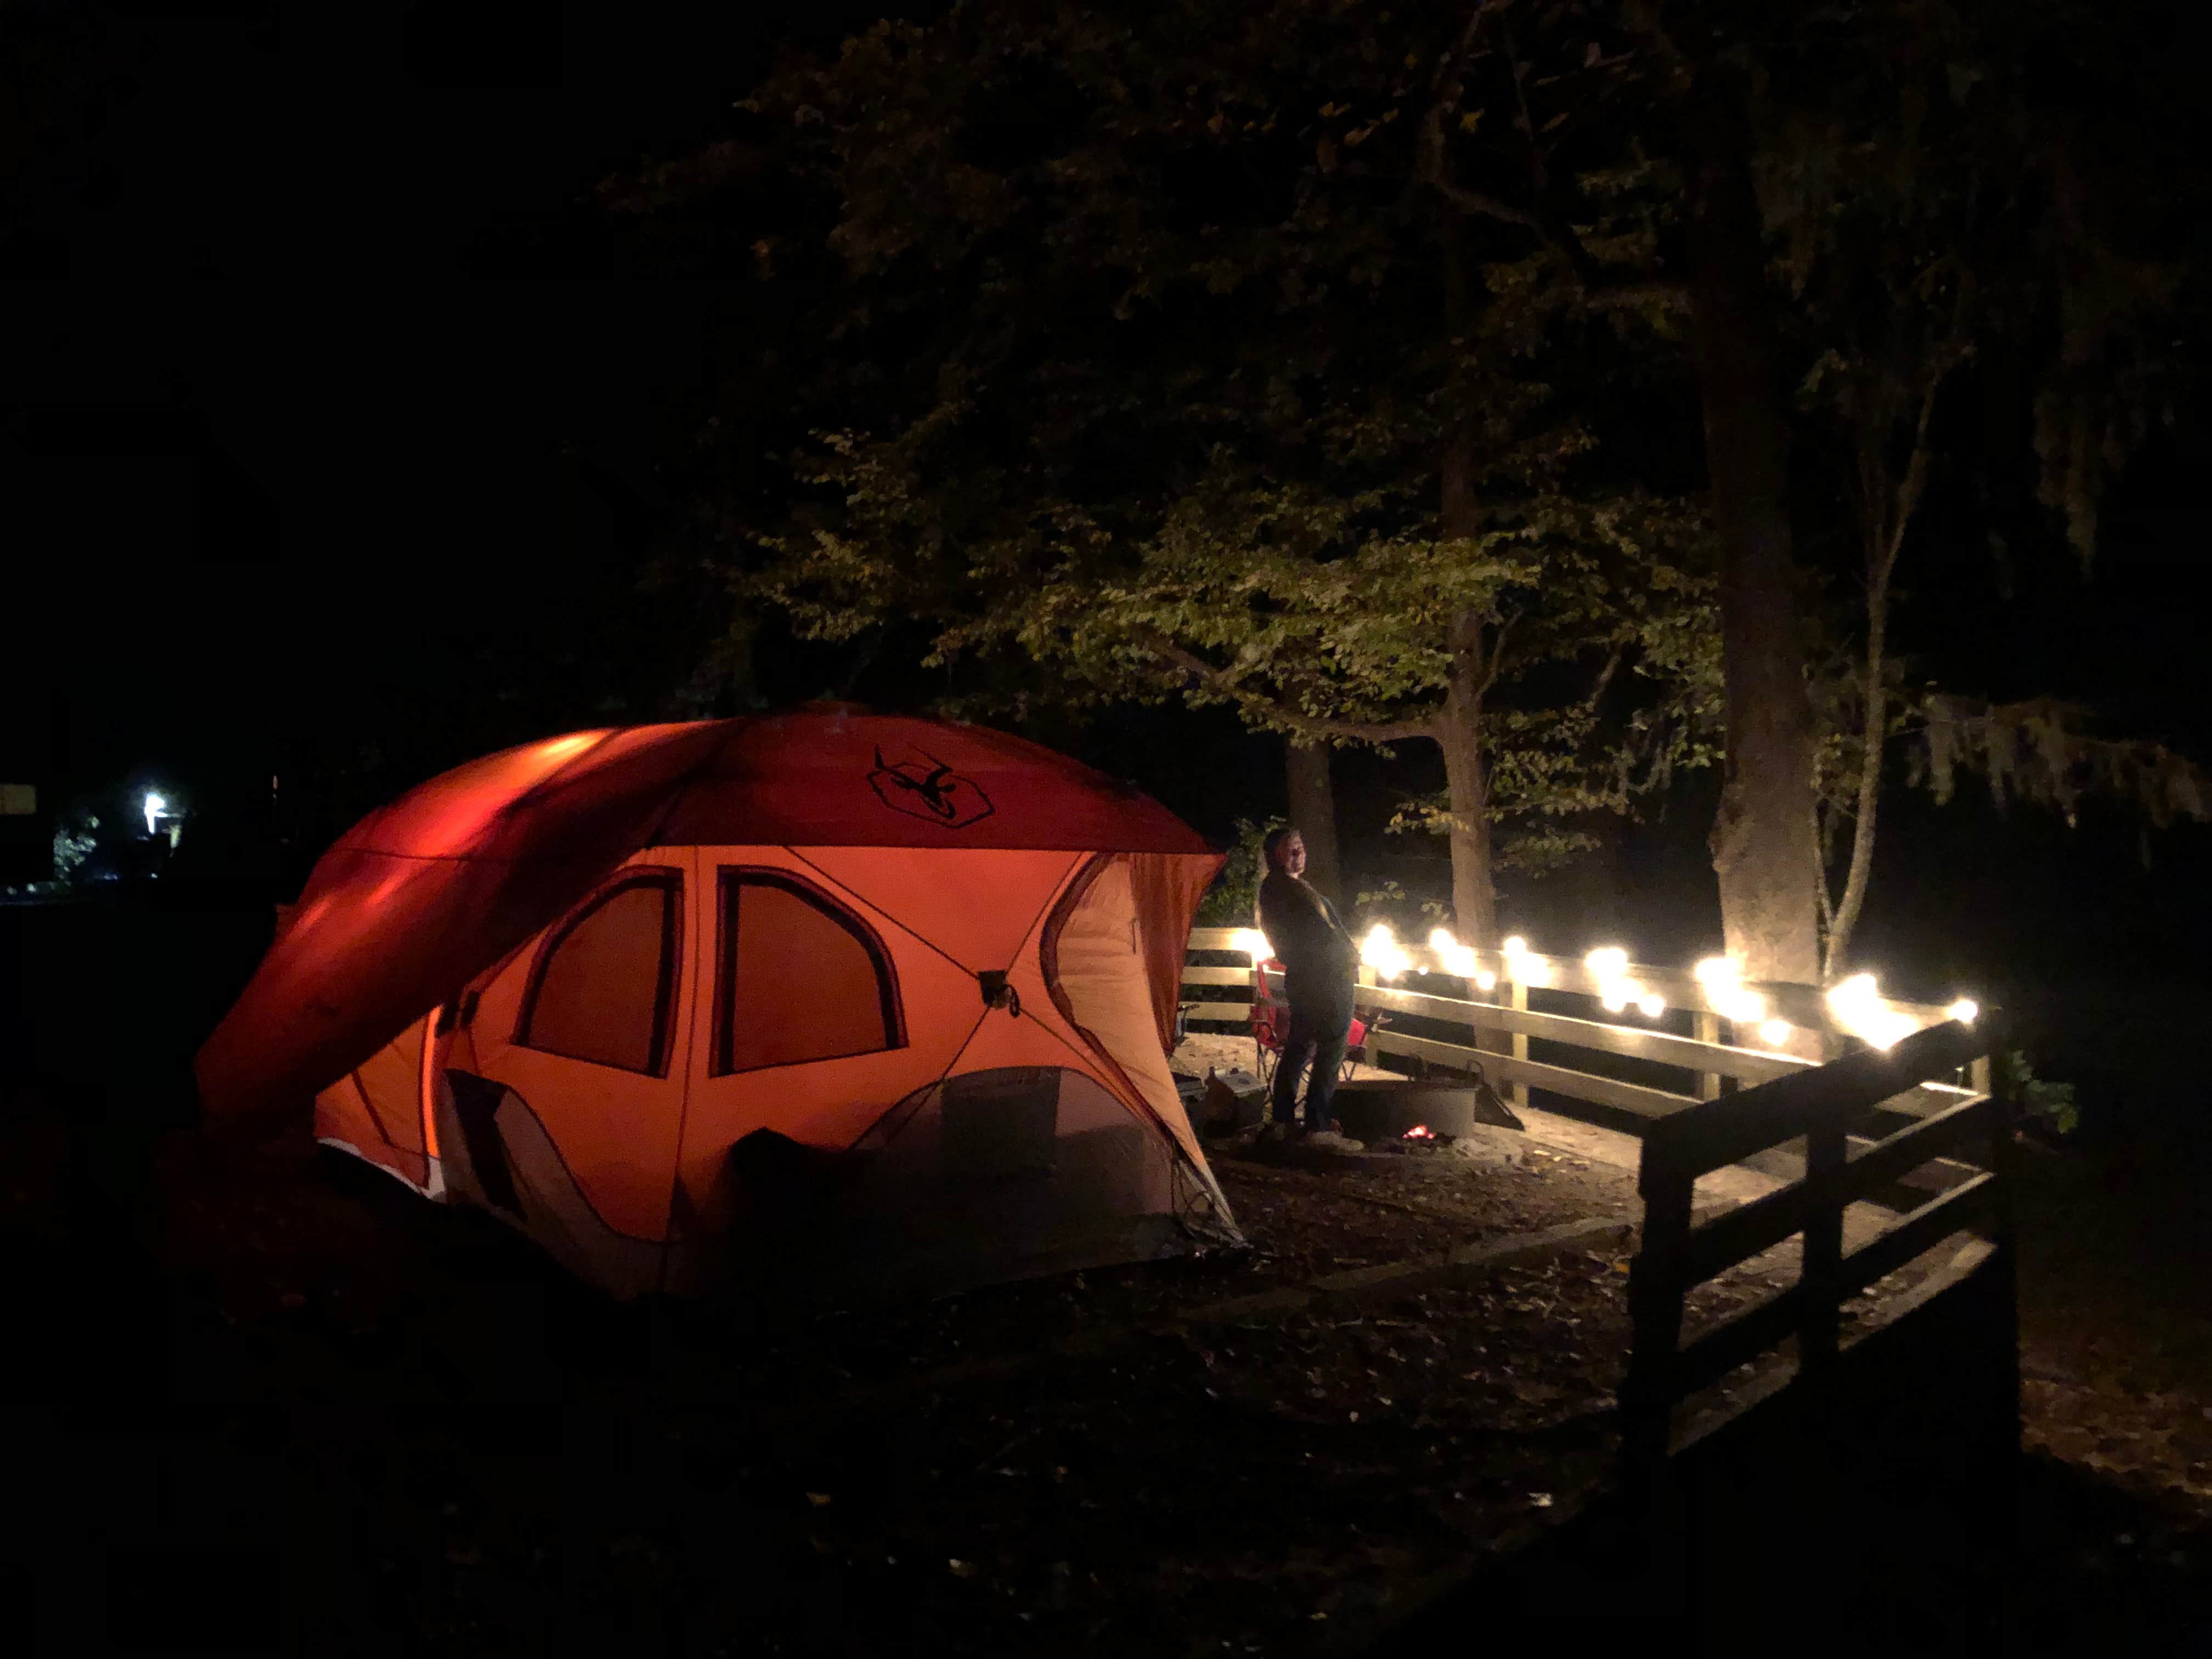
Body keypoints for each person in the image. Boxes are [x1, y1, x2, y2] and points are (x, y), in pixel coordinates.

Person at [1255, 826, 1364, 1151]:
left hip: (1321, 977)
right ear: (1275, 854)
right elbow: (1296, 940)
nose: (1298, 854)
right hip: (1321, 979)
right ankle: (1314, 1123)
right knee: (1329, 1047)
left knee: (1301, 1046)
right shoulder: (1279, 890)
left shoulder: (1294, 889)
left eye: (1301, 847)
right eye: (1290, 848)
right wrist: (1337, 958)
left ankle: (1286, 1120)